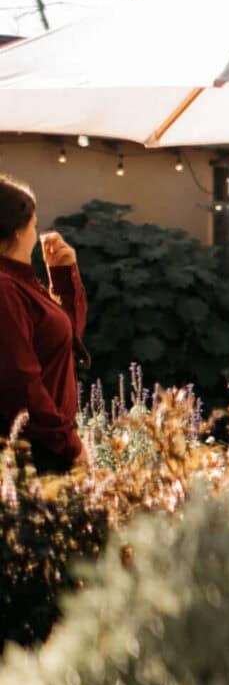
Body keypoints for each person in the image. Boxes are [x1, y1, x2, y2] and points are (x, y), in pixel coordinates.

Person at [0, 177, 84, 473]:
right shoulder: (6, 288)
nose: (37, 233)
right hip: (36, 455)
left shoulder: (19, 281)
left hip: (46, 445)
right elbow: (20, 381)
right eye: (35, 224)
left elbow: (64, 344)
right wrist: (69, 444)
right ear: (19, 230)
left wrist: (61, 276)